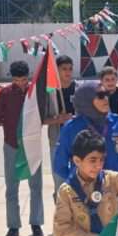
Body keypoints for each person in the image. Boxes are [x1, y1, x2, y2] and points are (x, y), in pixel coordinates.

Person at [0, 61, 45, 236]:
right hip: (12, 145)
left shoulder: (35, 93)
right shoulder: (5, 93)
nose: (20, 83)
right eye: (16, 80)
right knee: (11, 187)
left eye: (23, 80)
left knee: (36, 186)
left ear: (28, 77)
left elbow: (44, 114)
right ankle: (13, 227)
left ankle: (36, 224)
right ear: (12, 78)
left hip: (32, 145)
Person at [54, 81, 118, 179]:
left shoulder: (117, 121)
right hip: (85, 187)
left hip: (113, 184)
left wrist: (117, 172)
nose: (105, 99)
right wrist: (79, 182)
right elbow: (60, 166)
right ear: (86, 100)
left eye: (106, 94)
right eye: (100, 95)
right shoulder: (72, 128)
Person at [45, 54, 77, 198]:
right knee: (59, 181)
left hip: (77, 141)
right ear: (56, 71)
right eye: (64, 69)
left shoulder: (79, 89)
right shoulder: (50, 92)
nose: (68, 72)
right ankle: (60, 208)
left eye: (70, 69)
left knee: (78, 181)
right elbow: (42, 119)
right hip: (57, 140)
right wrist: (58, 119)